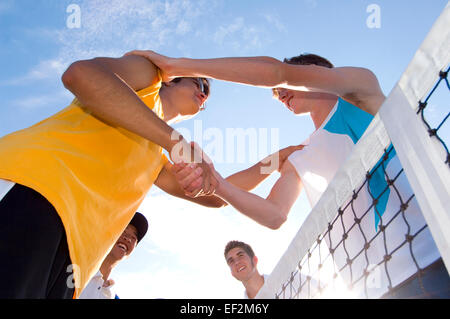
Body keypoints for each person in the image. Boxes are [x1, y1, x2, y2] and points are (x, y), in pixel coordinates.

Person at [128, 50, 448, 298]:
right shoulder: (299, 155)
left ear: (317, 74)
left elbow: (276, 72)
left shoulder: (360, 91)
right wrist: (220, 185)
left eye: (285, 86)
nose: (279, 93)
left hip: (437, 248)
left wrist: (180, 65)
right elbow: (274, 214)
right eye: (277, 92)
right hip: (380, 286)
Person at [0, 51, 300, 298]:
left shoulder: (154, 154)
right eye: (200, 84)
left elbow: (217, 194)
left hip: (77, 258)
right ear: (171, 80)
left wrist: (275, 160)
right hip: (40, 195)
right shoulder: (149, 77)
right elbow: (79, 74)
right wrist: (173, 140)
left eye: (207, 93)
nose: (203, 93)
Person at [79, 212, 148, 299]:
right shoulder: (75, 273)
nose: (127, 239)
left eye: (133, 237)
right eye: (123, 231)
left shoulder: (110, 295)